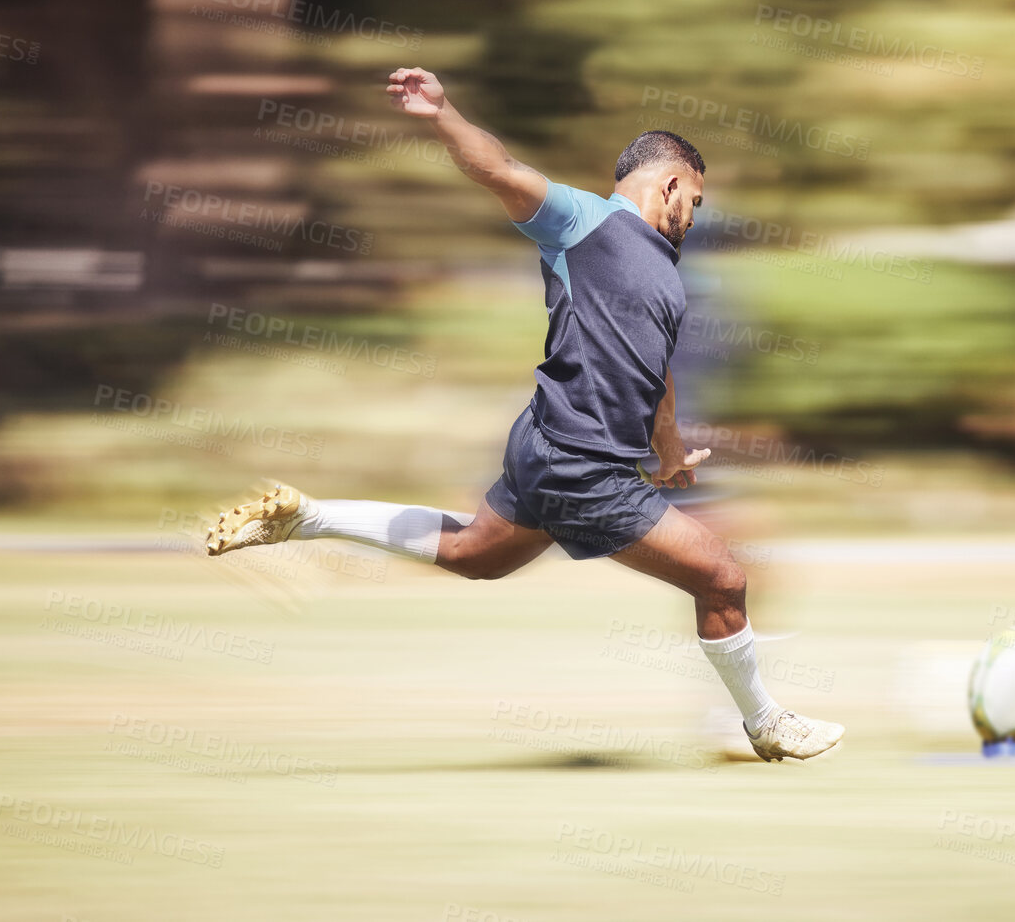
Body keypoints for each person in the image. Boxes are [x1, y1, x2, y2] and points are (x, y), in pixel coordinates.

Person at [205, 66, 844, 763]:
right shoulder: (584, 222)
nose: (692, 214)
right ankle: (761, 723)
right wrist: (442, 113)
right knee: (722, 575)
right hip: (583, 464)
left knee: (476, 555)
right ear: (668, 185)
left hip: (543, 445)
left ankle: (306, 515)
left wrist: (668, 452)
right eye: (693, 198)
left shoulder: (665, 270)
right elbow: (499, 167)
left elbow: (656, 375)